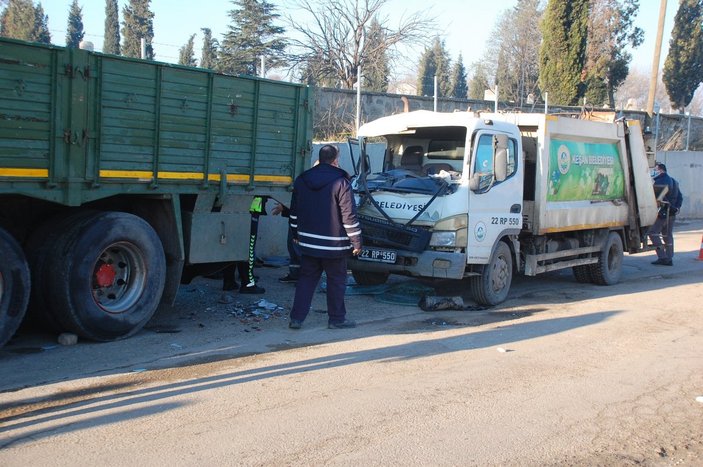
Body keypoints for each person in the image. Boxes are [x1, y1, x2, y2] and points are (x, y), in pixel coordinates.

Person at [288, 144, 362, 329]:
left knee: (306, 280)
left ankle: (296, 319)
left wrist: (295, 234)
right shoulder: (341, 182)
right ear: (335, 160)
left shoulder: (302, 180)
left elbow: (294, 212)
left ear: (320, 158)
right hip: (334, 246)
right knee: (336, 282)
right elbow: (348, 215)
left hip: (309, 244)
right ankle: (336, 319)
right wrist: (356, 241)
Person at [648, 162, 683, 266]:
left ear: (661, 170)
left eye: (655, 169)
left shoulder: (660, 182)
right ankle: (669, 257)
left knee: (653, 233)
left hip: (663, 213)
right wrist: (676, 208)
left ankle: (662, 257)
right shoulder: (674, 181)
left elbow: (657, 199)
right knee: (668, 235)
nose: (654, 171)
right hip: (671, 214)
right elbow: (680, 197)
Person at [271, 202, 301, 283]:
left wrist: (285, 205)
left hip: (301, 219)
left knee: (298, 249)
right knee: (293, 248)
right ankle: (295, 274)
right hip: (296, 218)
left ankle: (304, 278)